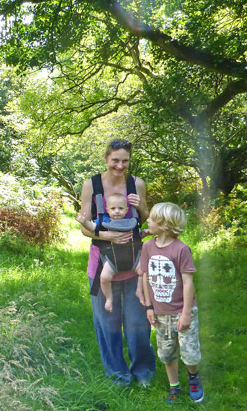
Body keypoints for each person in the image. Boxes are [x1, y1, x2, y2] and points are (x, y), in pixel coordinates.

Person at [78, 139, 156, 386]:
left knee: (138, 323)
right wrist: (106, 235)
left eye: (125, 161)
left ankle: (143, 372)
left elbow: (149, 219)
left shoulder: (137, 184)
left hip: (135, 265)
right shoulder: (91, 185)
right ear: (106, 158)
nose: (120, 166)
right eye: (115, 160)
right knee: (108, 325)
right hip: (103, 267)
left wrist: (140, 205)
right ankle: (117, 375)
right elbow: (85, 227)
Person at [140, 202, 204, 404]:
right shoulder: (147, 246)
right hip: (161, 313)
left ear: (164, 224)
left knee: (190, 352)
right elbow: (145, 277)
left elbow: (188, 282)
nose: (147, 220)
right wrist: (149, 307)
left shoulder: (181, 249)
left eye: (151, 218)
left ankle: (193, 377)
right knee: (167, 353)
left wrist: (186, 313)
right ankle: (174, 386)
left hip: (182, 311)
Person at [76, 193, 145, 313]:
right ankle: (109, 298)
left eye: (121, 208)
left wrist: (147, 232)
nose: (117, 211)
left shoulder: (130, 221)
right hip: (113, 259)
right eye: (113, 208)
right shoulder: (104, 221)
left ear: (127, 210)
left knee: (143, 271)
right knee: (104, 277)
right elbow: (92, 227)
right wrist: (84, 222)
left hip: (132, 258)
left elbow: (138, 233)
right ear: (107, 210)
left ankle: (139, 290)